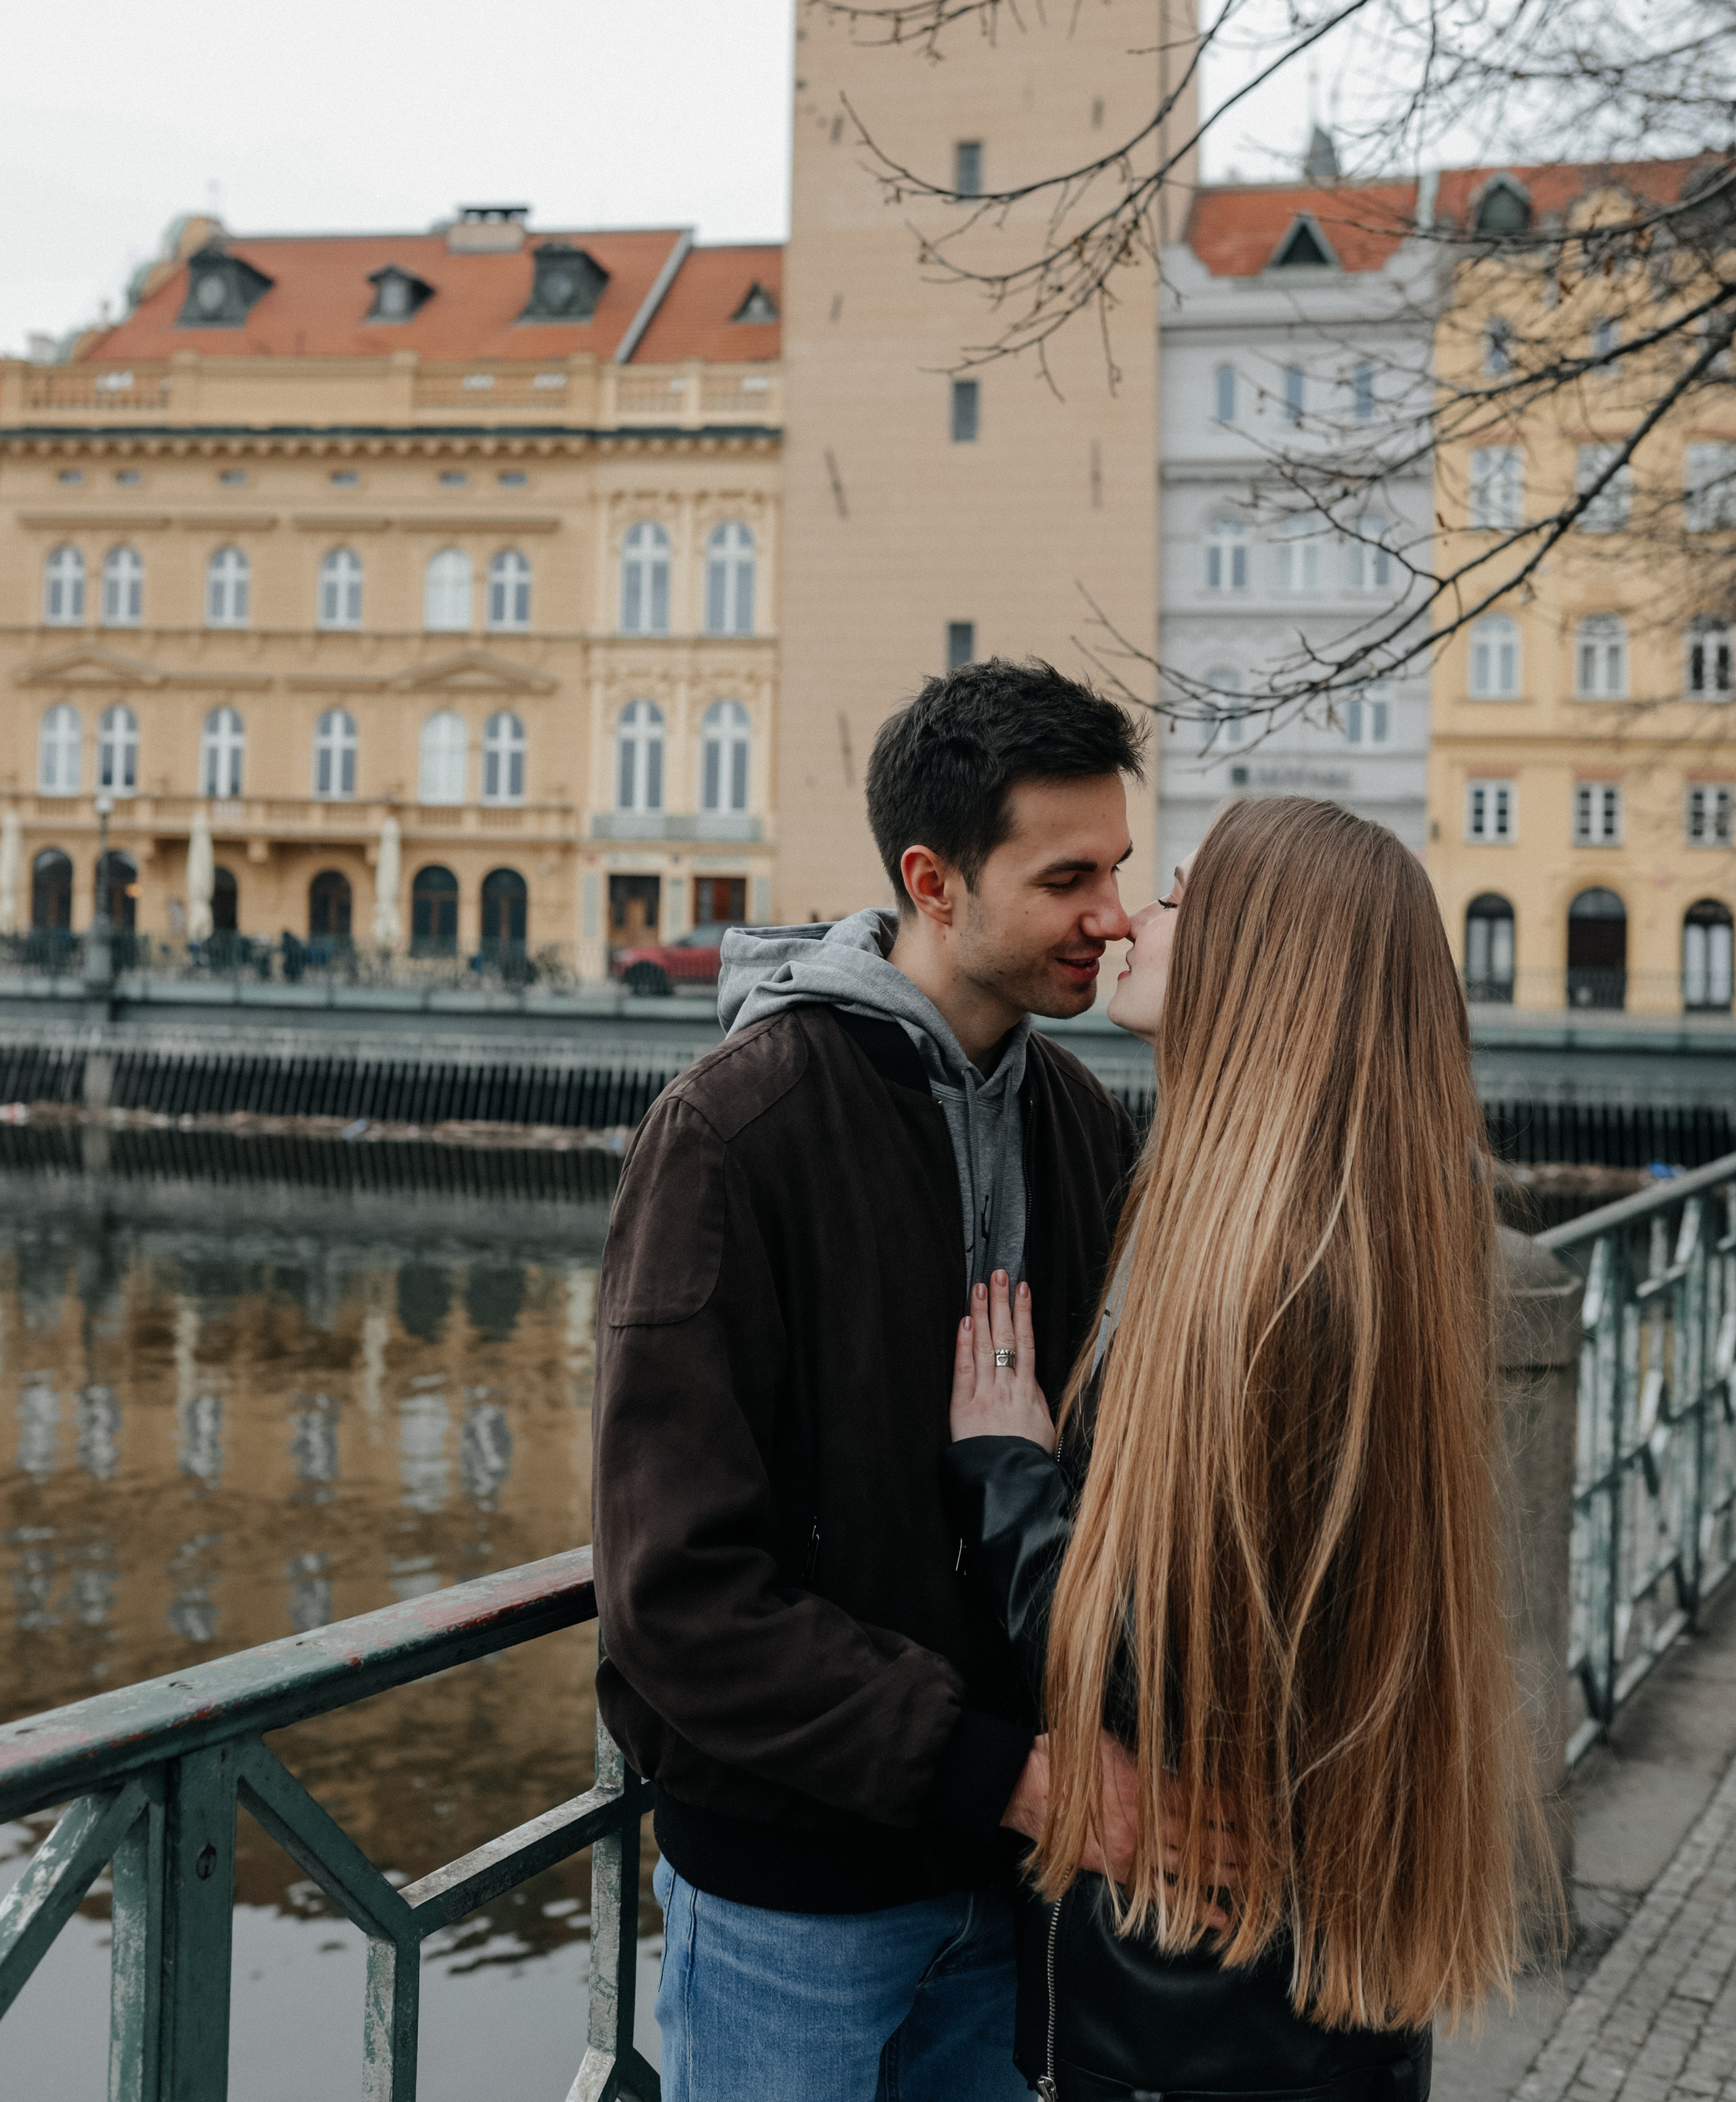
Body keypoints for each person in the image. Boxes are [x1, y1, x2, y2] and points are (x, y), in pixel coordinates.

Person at [591, 659, 1152, 2102]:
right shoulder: (735, 1130)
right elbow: (675, 1592)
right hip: (798, 1894)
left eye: (1121, 869)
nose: (1113, 915)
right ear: (935, 879)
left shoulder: (1081, 1120)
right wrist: (997, 1770)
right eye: (1067, 876)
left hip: (1020, 1872)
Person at [944, 795, 1554, 2102]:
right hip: (1286, 1991)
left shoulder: (1265, 1287)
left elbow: (1147, 1657)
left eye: (1171, 895)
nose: (1129, 920)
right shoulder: (1350, 1241)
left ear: (1255, 956)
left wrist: (1008, 1470)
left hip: (1192, 2017)